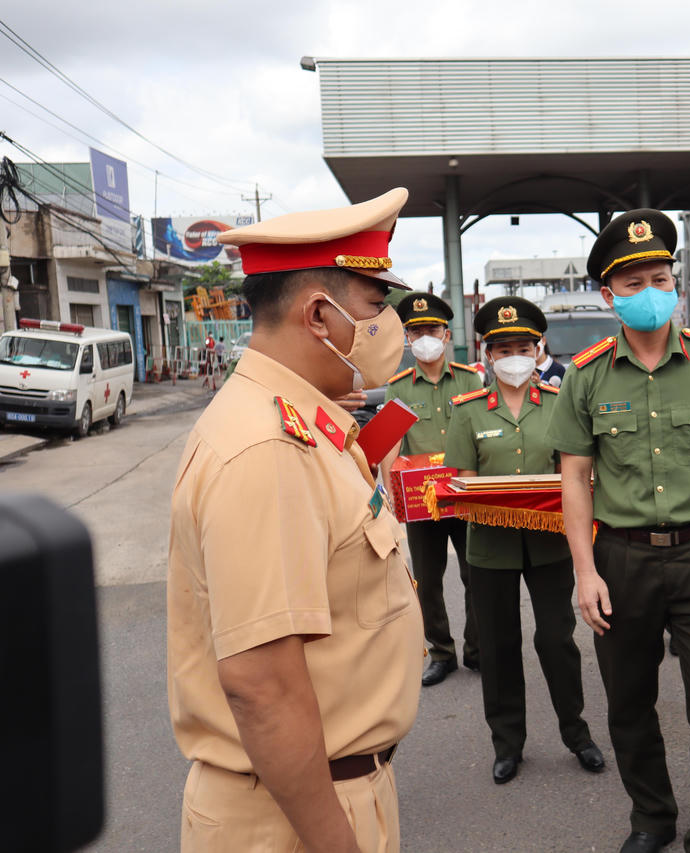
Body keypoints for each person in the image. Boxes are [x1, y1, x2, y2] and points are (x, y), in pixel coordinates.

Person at [167, 188, 424, 852]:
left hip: (329, 790)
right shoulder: (267, 449)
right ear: (319, 316)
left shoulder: (310, 425)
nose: (389, 325)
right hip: (293, 818)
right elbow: (263, 686)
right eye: (375, 307)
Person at [548, 209, 690, 853]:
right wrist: (585, 572)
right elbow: (574, 480)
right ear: (608, 293)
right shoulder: (585, 375)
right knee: (627, 703)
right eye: (634, 279)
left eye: (660, 274)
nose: (651, 288)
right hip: (622, 561)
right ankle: (652, 819)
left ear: (675, 280)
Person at [444, 295, 605, 785]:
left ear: (539, 349)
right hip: (490, 547)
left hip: (552, 541)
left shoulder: (560, 405)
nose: (512, 355)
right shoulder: (467, 410)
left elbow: (577, 477)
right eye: (501, 347)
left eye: (522, 345)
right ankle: (507, 744)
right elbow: (463, 485)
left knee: (556, 639)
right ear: (487, 353)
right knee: (497, 645)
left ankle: (577, 734)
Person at [379, 292, 483, 686]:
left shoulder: (471, 379)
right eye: (417, 330)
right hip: (421, 504)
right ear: (408, 337)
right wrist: (393, 494)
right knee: (428, 580)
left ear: (445, 334)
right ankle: (442, 652)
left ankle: (477, 649)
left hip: (464, 495)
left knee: (477, 575)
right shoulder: (399, 387)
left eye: (432, 329)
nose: (425, 337)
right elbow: (390, 446)